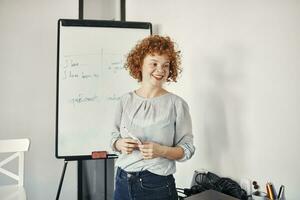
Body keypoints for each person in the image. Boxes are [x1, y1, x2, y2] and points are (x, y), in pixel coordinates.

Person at [111, 35, 195, 200]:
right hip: (122, 181)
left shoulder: (177, 104)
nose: (160, 70)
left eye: (166, 65)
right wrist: (119, 143)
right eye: (154, 63)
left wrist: (161, 150)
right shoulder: (124, 101)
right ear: (139, 64)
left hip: (157, 185)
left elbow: (187, 149)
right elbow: (113, 137)